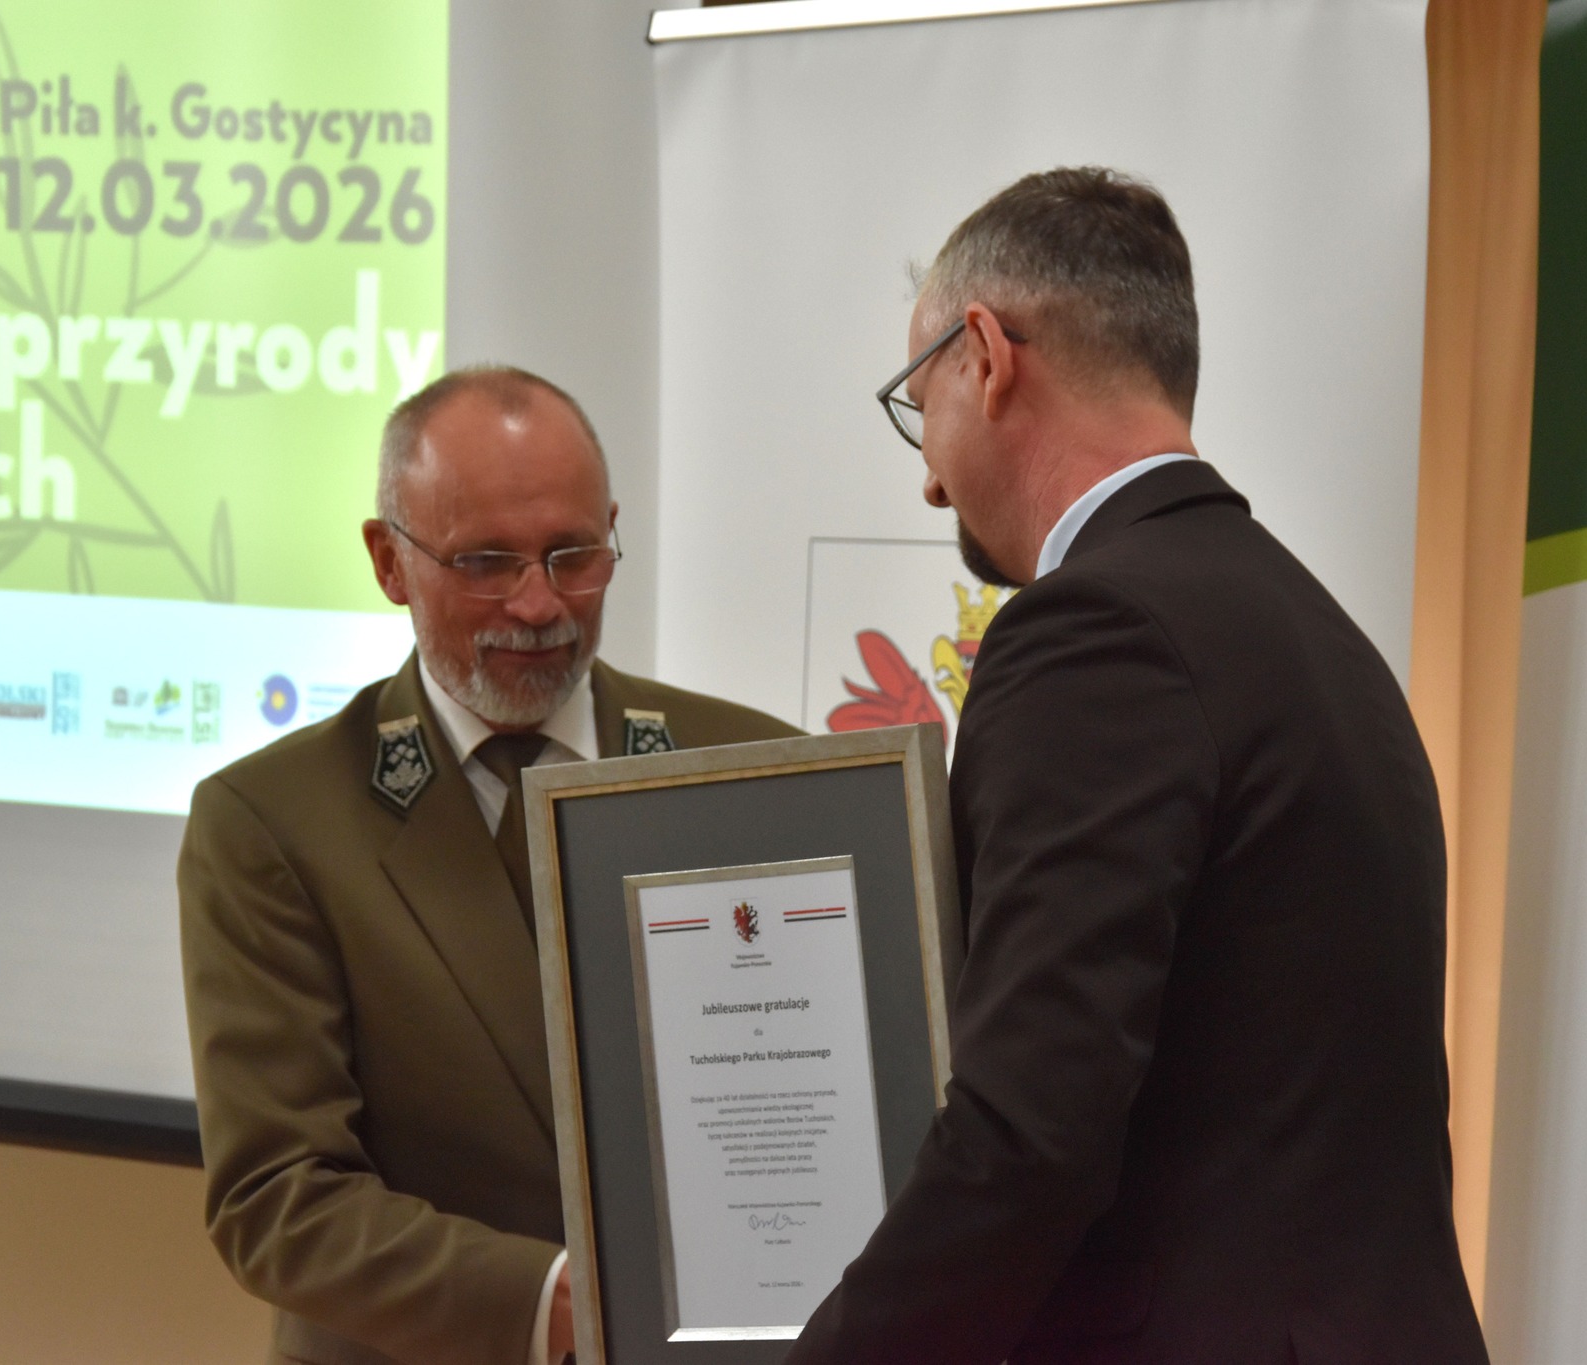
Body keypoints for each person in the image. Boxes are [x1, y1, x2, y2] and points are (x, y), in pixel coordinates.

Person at [788, 169, 1488, 1363]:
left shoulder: (1094, 632)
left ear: (983, 356)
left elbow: (1028, 1136)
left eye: (918, 404)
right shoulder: (1311, 629)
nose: (927, 476)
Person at [179, 367, 800, 1365]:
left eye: (573, 554)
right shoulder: (274, 824)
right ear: (389, 561)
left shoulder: (757, 769)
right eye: (485, 562)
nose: (538, 602)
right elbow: (277, 1200)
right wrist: (562, 1304)